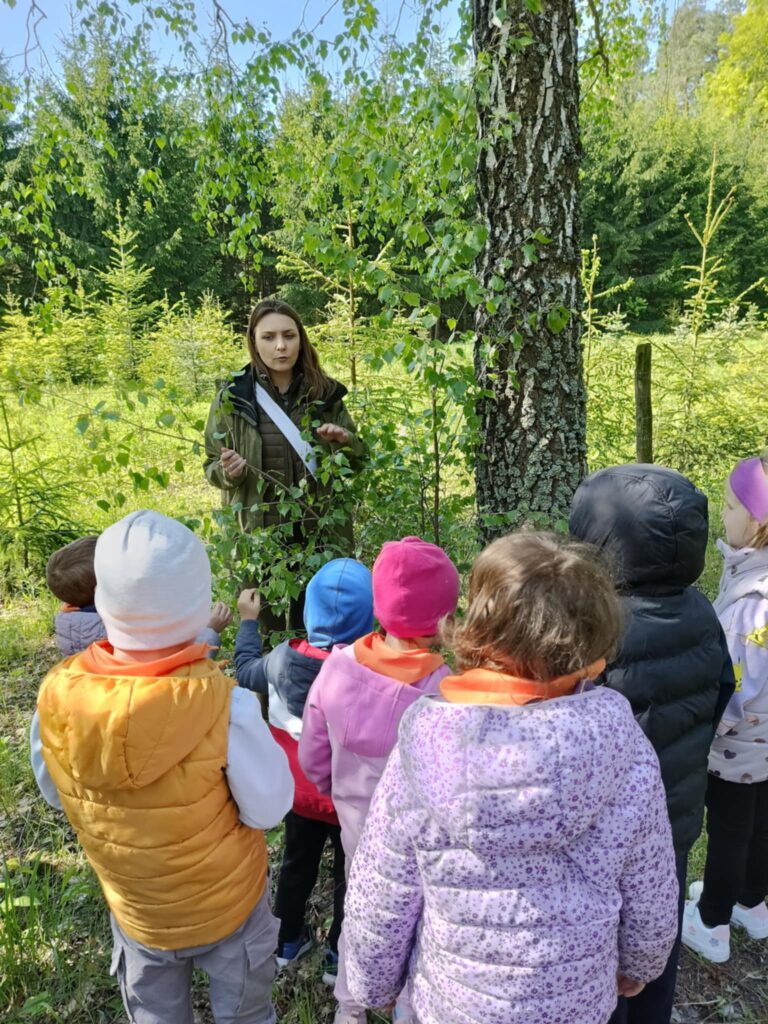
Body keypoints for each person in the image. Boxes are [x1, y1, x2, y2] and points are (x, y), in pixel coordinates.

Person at [342, 532, 679, 1024]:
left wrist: (374, 983)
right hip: (577, 1007)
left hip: (454, 1007)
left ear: (478, 625)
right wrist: (642, 963)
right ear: (591, 641)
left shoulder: (428, 743)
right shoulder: (622, 748)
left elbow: (383, 889)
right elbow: (651, 884)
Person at [30, 510, 294, 1024]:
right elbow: (269, 809)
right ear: (197, 603)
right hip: (228, 907)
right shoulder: (228, 706)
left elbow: (54, 793)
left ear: (104, 601)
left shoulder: (56, 701)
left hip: (139, 914)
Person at [569, 464, 735, 1024]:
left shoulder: (592, 627)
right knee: (656, 942)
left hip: (602, 831)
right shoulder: (703, 612)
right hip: (674, 818)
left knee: (601, 949)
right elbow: (722, 692)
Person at [300, 536, 460, 1024]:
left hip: (357, 832)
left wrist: (336, 794)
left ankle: (349, 1010)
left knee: (362, 915)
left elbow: (313, 756)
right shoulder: (445, 692)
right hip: (422, 848)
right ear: (444, 619)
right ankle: (407, 1009)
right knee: (421, 929)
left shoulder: (337, 668)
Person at [233, 558, 374, 983]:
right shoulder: (369, 672)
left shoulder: (280, 661)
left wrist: (248, 623)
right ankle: (336, 955)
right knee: (349, 875)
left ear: (310, 610)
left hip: (298, 794)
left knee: (296, 864)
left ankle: (287, 941)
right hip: (351, 800)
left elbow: (244, 670)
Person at [204, 298, 366, 634]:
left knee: (320, 630)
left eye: (289, 335)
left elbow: (358, 461)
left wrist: (344, 442)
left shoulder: (324, 394)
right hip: (259, 538)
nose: (281, 346)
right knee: (264, 633)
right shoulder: (233, 397)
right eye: (269, 337)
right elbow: (211, 464)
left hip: (320, 534)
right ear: (254, 341)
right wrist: (228, 472)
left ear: (300, 340)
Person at [683, 454, 768, 962]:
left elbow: (738, 681)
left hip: (739, 740)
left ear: (758, 523)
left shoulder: (754, 600)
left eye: (733, 505)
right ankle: (752, 903)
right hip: (765, 742)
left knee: (730, 830)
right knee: (760, 824)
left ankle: (712, 921)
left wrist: (711, 727)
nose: (724, 512)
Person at [46, 534, 232, 656]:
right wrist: (210, 630)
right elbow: (178, 666)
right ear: (102, 588)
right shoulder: (122, 630)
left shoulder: (69, 624)